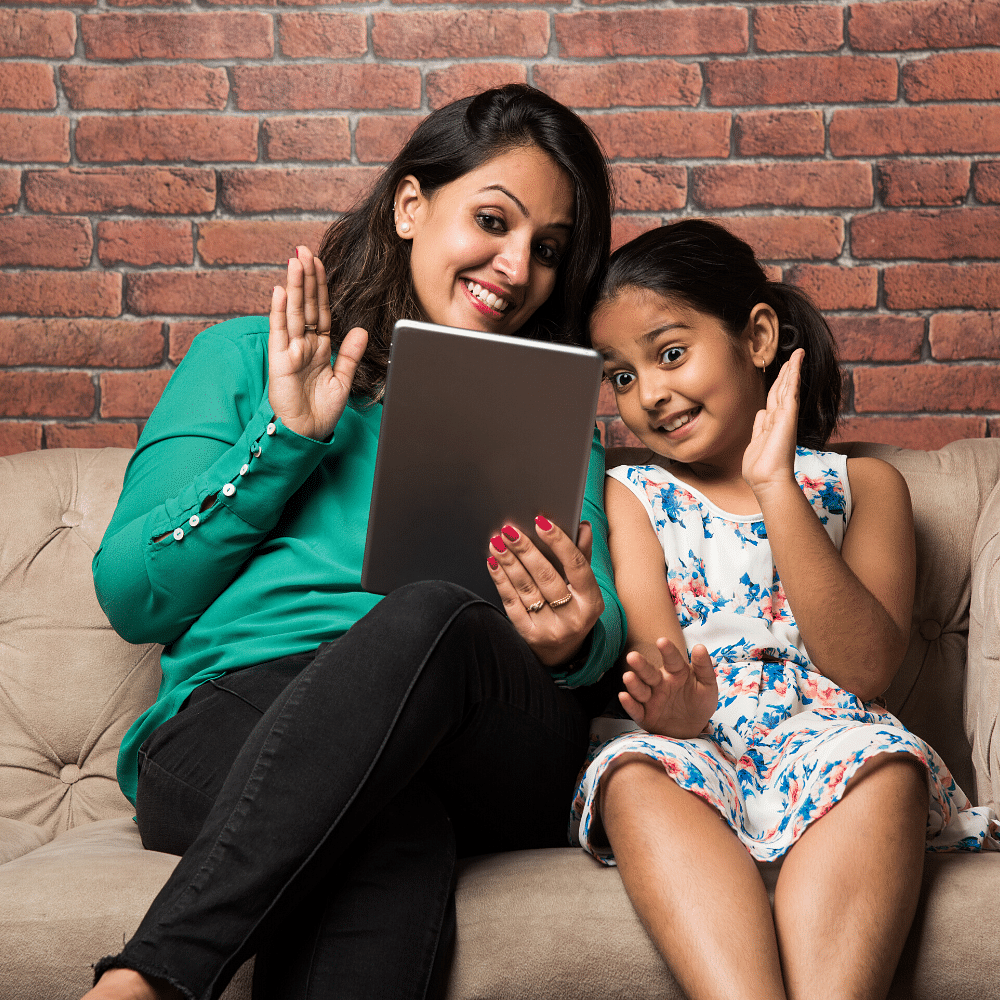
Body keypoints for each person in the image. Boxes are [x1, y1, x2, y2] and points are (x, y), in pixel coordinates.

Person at [83, 84, 625, 1000]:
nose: (517, 265)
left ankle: (151, 980)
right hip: (232, 717)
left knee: (431, 612)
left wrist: (574, 636)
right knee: (387, 825)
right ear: (412, 205)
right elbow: (133, 595)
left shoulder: (553, 419)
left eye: (548, 249)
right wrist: (283, 444)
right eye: (492, 221)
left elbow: (604, 628)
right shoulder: (243, 357)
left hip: (478, 731)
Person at [570, 220, 998, 1000]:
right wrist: (678, 707)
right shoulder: (632, 496)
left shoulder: (866, 488)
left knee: (888, 768)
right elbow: (661, 662)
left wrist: (776, 486)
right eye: (621, 377)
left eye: (668, 353)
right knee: (633, 774)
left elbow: (864, 666)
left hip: (828, 733)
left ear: (758, 336)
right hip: (699, 740)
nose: (649, 393)